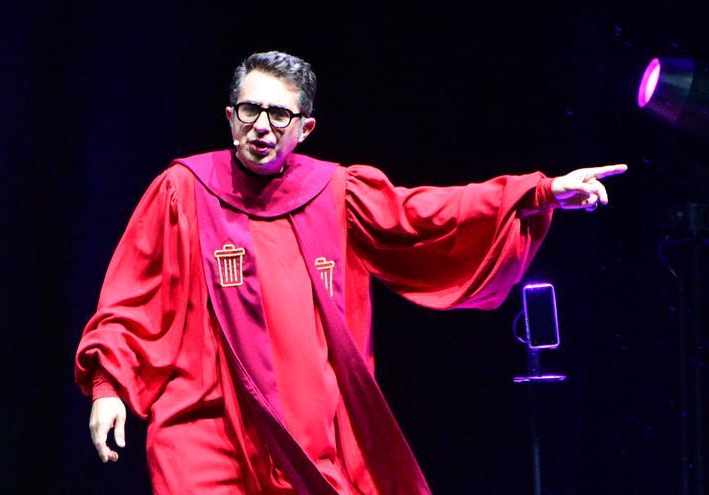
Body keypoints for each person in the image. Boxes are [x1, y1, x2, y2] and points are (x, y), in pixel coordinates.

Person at [74, 51, 627, 494]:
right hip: (203, 425)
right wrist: (108, 387)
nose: (262, 126)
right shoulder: (183, 190)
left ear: (305, 128)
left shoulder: (335, 192)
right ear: (229, 116)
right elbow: (131, 295)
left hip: (307, 433)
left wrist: (541, 190)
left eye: (280, 115)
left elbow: (425, 214)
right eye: (250, 110)